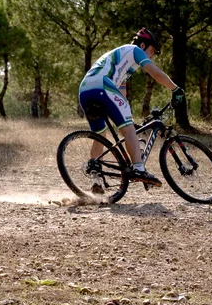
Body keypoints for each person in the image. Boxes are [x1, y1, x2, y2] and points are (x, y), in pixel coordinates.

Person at [79, 27, 185, 193]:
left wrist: (129, 123)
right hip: (102, 85)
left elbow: (121, 94)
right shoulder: (135, 50)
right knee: (127, 131)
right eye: (152, 51)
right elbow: (154, 72)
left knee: (100, 135)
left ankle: (96, 178)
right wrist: (175, 88)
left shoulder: (122, 62)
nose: (151, 55)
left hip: (85, 89)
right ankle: (138, 168)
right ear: (143, 45)